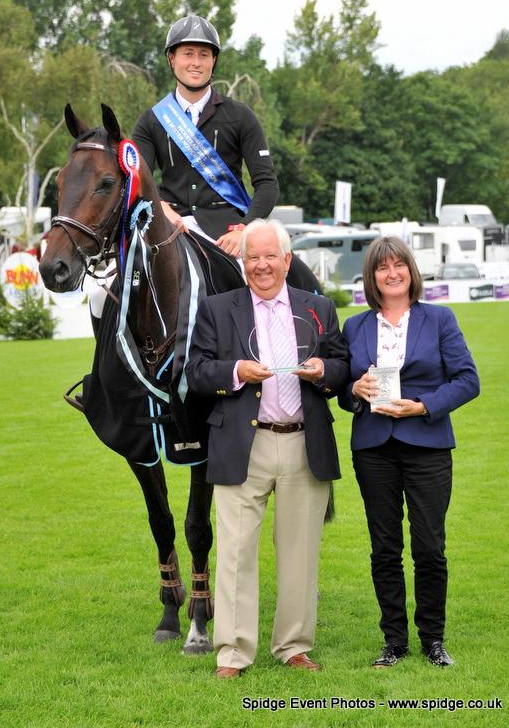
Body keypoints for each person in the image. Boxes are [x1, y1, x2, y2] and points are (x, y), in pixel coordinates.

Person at [185, 219, 349, 678]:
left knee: (300, 552)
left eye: (269, 256)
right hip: (243, 443)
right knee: (235, 552)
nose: (261, 265)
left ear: (287, 261)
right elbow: (196, 372)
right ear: (243, 264)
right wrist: (236, 370)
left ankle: (293, 645)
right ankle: (233, 653)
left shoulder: (317, 307)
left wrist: (323, 371)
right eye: (251, 257)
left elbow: (342, 364)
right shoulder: (218, 310)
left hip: (303, 442)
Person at [339, 236, 479, 668]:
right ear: (373, 276)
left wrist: (424, 405)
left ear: (411, 271)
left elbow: (467, 379)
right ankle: (394, 641)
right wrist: (354, 389)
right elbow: (344, 393)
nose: (392, 273)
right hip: (374, 449)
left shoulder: (439, 319)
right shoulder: (356, 327)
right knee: (384, 548)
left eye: (399, 265)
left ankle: (433, 640)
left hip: (427, 446)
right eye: (383, 267)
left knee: (429, 548)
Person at [132, 14, 280, 259]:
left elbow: (267, 184)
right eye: (188, 53)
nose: (196, 62)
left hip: (228, 233)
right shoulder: (152, 120)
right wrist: (161, 208)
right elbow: (138, 180)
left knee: (276, 273)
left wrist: (245, 228)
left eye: (204, 55)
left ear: (214, 60)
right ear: (172, 58)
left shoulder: (241, 116)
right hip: (170, 226)